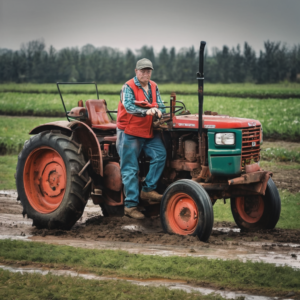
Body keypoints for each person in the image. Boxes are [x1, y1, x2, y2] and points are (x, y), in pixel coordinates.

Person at [116, 58, 167, 219]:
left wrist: (159, 110)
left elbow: (160, 104)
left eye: (148, 71)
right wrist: (147, 111)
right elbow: (129, 106)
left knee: (160, 155)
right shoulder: (128, 87)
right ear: (136, 71)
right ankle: (130, 206)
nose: (146, 73)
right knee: (130, 168)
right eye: (142, 70)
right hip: (129, 131)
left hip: (147, 130)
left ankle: (147, 190)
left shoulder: (154, 86)